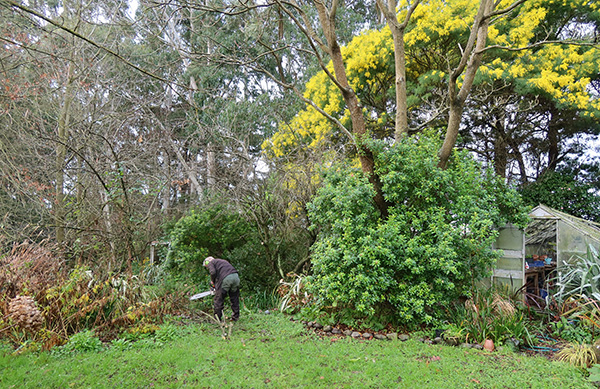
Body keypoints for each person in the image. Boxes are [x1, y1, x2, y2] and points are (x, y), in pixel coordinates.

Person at [203, 256, 240, 322]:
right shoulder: (222, 261)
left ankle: (217, 319)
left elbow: (213, 272)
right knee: (234, 298)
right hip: (236, 277)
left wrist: (212, 281)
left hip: (227, 278)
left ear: (207, 262)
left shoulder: (211, 263)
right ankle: (235, 317)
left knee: (219, 299)